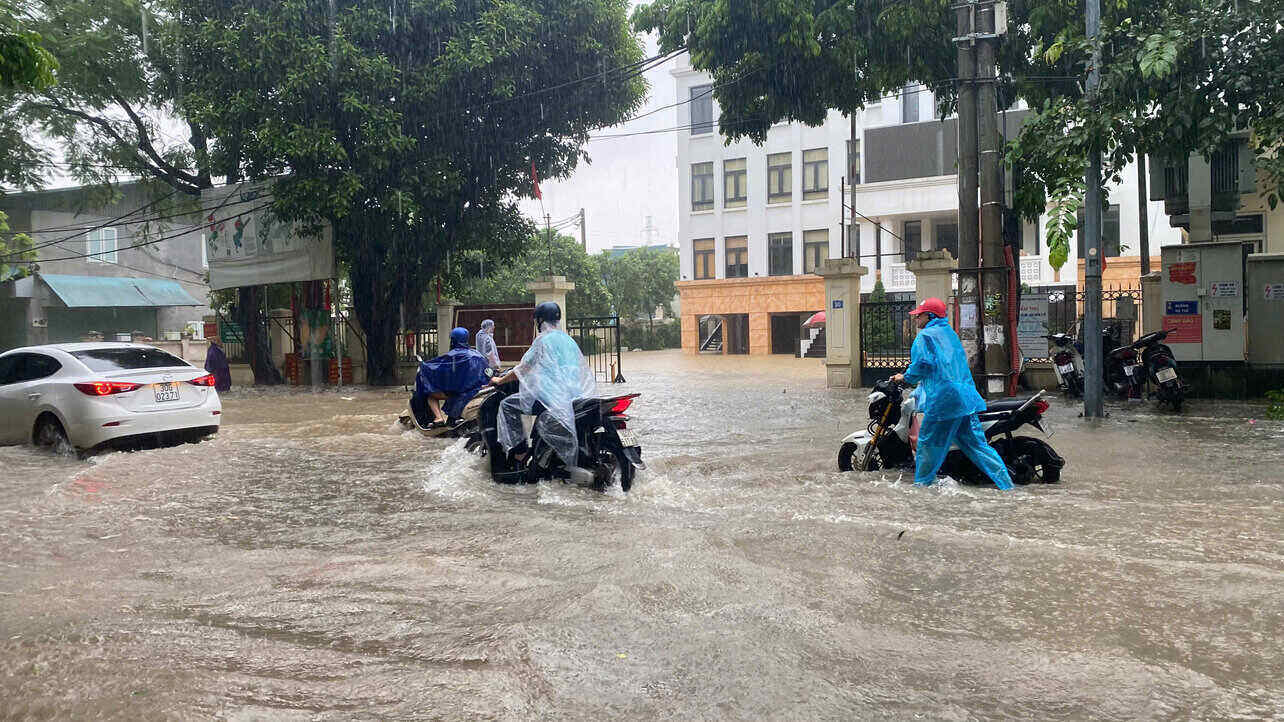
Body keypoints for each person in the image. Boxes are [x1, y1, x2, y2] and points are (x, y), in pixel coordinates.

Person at [890, 297, 1013, 490]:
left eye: (919, 315)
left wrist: (903, 378)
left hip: (943, 401)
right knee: (978, 447)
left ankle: (920, 490)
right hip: (965, 400)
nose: (916, 319)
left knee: (927, 446)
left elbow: (922, 366)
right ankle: (1007, 486)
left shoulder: (925, 337)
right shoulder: (950, 334)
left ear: (929, 316)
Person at [488, 302, 596, 466]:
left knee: (507, 405)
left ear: (539, 320)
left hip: (552, 396)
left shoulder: (542, 340)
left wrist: (500, 380)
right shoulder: (568, 340)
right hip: (575, 394)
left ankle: (520, 453)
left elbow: (524, 367)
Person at [414, 327, 492, 427]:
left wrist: (423, 366)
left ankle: (438, 418)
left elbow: (436, 368)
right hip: (477, 391)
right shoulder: (477, 354)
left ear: (453, 340)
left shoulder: (452, 356)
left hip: (460, 393)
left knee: (430, 394)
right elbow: (488, 372)